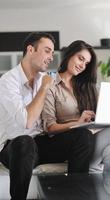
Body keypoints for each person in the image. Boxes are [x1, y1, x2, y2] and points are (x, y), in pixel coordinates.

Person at [0, 32, 92, 200]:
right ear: (30, 49)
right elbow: (26, 122)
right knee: (24, 141)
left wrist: (78, 122)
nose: (51, 57)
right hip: (14, 147)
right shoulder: (8, 81)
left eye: (52, 52)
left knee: (82, 136)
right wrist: (43, 89)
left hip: (40, 144)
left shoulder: (44, 78)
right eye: (47, 51)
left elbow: (49, 121)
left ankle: (75, 195)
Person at [42, 40, 110, 173]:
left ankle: (100, 189)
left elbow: (104, 113)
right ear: (69, 55)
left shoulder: (89, 87)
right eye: (80, 59)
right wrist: (77, 122)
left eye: (86, 63)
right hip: (71, 144)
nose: (82, 65)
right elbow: (50, 128)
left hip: (93, 138)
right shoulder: (51, 86)